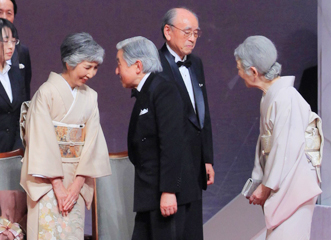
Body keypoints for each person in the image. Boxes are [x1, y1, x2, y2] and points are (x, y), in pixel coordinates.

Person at [20, 32, 111, 239]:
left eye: (95, 68)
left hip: (76, 177)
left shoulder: (91, 97)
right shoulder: (46, 92)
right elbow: (40, 140)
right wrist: (58, 186)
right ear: (70, 62)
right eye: (87, 67)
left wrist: (77, 184)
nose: (92, 74)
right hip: (46, 179)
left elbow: (92, 143)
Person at [234, 35, 322, 239]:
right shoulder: (271, 96)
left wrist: (265, 187)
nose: (238, 74)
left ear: (253, 72)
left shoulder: (286, 98)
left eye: (239, 68)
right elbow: (265, 143)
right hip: (280, 184)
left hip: (294, 187)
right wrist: (257, 180)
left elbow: (286, 149)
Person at [116, 36, 186, 239]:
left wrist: (169, 191)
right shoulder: (146, 92)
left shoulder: (163, 89)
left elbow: (172, 144)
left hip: (163, 196)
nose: (117, 71)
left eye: (119, 64)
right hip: (149, 194)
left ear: (138, 66)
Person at [158, 7, 214, 239]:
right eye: (187, 32)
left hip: (195, 162)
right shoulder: (156, 65)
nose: (192, 38)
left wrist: (207, 158)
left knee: (192, 229)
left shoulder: (196, 63)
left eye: (196, 33)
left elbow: (203, 112)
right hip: (171, 163)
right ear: (168, 32)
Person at [0, 18, 25, 153]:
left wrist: (17, 147)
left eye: (14, 41)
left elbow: (19, 114)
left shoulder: (16, 73)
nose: (11, 46)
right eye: (6, 41)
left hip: (13, 153)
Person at [0, 0, 31, 100]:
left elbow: (25, 94)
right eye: (0, 12)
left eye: (9, 13)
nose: (4, 17)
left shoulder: (21, 52)